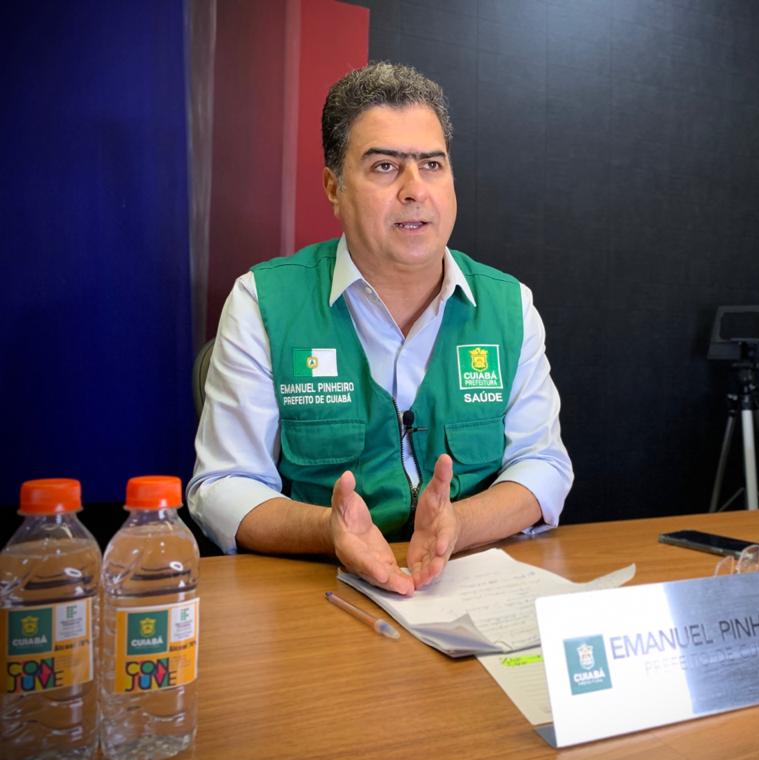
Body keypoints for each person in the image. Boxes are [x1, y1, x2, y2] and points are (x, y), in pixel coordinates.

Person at [187, 62, 572, 595]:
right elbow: (224, 485)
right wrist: (328, 531)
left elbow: (543, 464)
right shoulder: (262, 302)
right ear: (334, 187)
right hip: (318, 591)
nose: (415, 190)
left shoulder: (509, 305)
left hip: (473, 583)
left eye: (432, 165)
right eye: (386, 167)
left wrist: (458, 525)